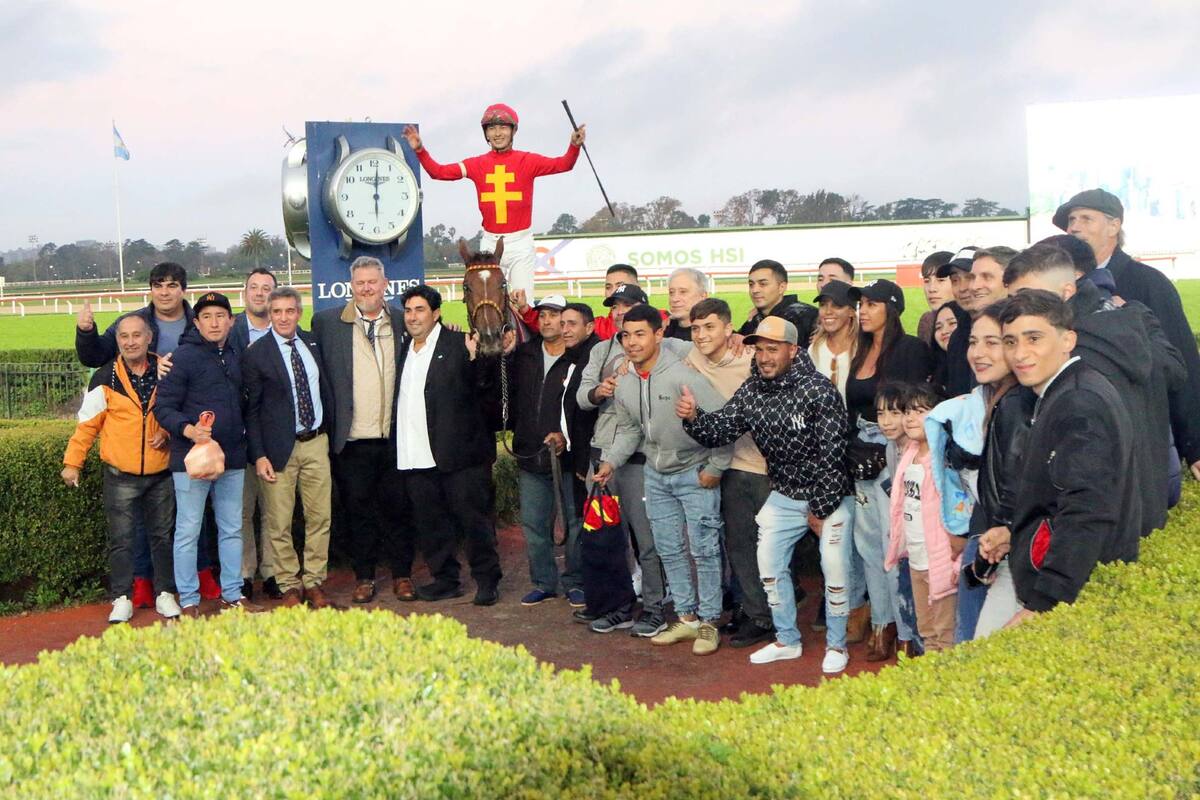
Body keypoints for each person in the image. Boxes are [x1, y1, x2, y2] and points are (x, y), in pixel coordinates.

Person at [679, 316, 856, 673]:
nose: (764, 357)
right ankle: (787, 640)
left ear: (793, 350)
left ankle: (837, 645)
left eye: (772, 349)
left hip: (829, 495)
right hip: (785, 494)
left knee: (835, 570)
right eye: (759, 349)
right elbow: (721, 428)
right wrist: (694, 416)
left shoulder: (819, 391)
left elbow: (833, 455)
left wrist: (820, 508)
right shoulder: (753, 389)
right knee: (769, 568)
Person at [1002, 243, 1184, 538]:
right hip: (1139, 511)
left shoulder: (1064, 355)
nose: (1015, 310)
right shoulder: (1127, 322)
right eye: (1012, 300)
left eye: (1028, 296)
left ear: (1067, 292)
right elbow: (1175, 372)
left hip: (1091, 525)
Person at [980, 290, 1139, 624]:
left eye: (1033, 338)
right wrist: (1014, 532)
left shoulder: (1078, 401)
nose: (1020, 353)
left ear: (1068, 340)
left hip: (1068, 595)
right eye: (1010, 342)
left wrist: (1045, 600)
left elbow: (1086, 508)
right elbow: (1052, 493)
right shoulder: (1065, 391)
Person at [595, 305, 732, 654]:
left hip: (694, 472)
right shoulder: (625, 381)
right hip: (655, 476)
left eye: (640, 334)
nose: (631, 342)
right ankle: (686, 618)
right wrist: (611, 461)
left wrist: (715, 467)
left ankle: (709, 622)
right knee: (670, 550)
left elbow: (724, 422)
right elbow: (629, 430)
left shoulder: (684, 375)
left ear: (659, 335)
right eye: (626, 335)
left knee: (704, 550)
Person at [1054, 187, 1200, 488]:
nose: (1074, 227)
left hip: (1139, 433)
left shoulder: (1148, 283)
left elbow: (1181, 361)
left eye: (1085, 218)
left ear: (1114, 226)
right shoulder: (1060, 285)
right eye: (1071, 220)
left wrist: (1195, 442)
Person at [61, 315, 180, 623]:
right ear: (117, 341)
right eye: (124, 336)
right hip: (119, 475)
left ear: (149, 337)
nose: (130, 342)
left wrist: (167, 433)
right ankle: (121, 598)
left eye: (136, 335)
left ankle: (165, 593)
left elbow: (180, 411)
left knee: (163, 537)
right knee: (122, 540)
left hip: (161, 473)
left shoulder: (167, 370)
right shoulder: (104, 377)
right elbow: (87, 424)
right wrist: (72, 463)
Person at [394, 284, 506, 605]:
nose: (413, 317)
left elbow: (485, 391)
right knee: (431, 525)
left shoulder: (460, 344)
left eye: (420, 310)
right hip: (414, 456)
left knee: (473, 523)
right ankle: (445, 580)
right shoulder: (403, 349)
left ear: (436, 314)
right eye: (408, 311)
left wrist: (476, 360)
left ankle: (487, 580)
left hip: (460, 457)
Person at [310, 256, 413, 604]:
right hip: (352, 441)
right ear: (351, 286)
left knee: (398, 510)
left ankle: (402, 575)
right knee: (358, 513)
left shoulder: (402, 320)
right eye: (360, 283)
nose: (367, 288)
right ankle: (365, 577)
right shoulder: (327, 323)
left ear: (385, 285)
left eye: (373, 282)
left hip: (395, 438)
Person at [403, 105, 585, 299]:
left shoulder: (528, 161)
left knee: (523, 303)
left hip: (520, 245)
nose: (497, 133)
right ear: (486, 134)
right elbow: (438, 172)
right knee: (486, 304)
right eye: (492, 128)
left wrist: (574, 146)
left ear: (513, 130)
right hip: (489, 244)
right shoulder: (476, 164)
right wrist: (420, 150)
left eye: (503, 127)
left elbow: (564, 164)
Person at [154, 292, 261, 616]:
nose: (214, 323)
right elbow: (163, 407)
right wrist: (188, 430)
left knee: (232, 528)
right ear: (197, 323)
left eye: (220, 316)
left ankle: (232, 594)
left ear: (231, 321)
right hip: (192, 460)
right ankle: (189, 600)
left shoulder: (236, 354)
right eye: (207, 317)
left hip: (232, 457)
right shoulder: (182, 358)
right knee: (188, 531)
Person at [844, 279, 933, 660]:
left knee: (895, 542)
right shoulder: (861, 349)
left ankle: (908, 629)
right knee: (868, 544)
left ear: (891, 308)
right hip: (861, 452)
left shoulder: (910, 348)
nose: (863, 311)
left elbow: (917, 406)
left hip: (897, 450)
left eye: (872, 304)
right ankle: (883, 622)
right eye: (861, 304)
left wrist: (893, 445)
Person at [576, 283, 669, 637]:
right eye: (615, 307)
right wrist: (598, 391)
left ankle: (655, 607)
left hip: (641, 458)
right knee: (604, 537)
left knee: (646, 539)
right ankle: (616, 605)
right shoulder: (601, 350)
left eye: (627, 306)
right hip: (602, 452)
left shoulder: (662, 348)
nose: (619, 312)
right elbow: (582, 396)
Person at [685, 298, 774, 649]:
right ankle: (756, 614)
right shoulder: (689, 357)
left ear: (728, 328)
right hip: (730, 466)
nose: (701, 335)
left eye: (710, 327)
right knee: (739, 546)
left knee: (771, 547)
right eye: (695, 328)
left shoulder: (750, 358)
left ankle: (775, 612)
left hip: (766, 467)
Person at [243, 287, 338, 609]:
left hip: (316, 443)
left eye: (289, 311)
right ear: (270, 315)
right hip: (277, 450)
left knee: (320, 517)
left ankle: (314, 581)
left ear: (299, 312)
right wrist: (259, 455)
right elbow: (252, 410)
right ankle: (289, 585)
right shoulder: (257, 353)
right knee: (279, 523)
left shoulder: (313, 344)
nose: (283, 317)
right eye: (277, 312)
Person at [959, 302, 1033, 640]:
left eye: (992, 342)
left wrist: (1001, 535)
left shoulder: (1015, 404)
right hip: (1005, 546)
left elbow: (1016, 486)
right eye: (973, 342)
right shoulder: (1003, 399)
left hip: (1014, 554)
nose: (978, 353)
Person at [509, 295, 584, 608]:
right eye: (542, 315)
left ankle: (576, 582)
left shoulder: (580, 357)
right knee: (533, 524)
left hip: (568, 458)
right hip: (530, 454)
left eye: (555, 315)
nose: (548, 321)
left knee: (575, 523)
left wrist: (570, 439)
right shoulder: (523, 354)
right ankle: (543, 582)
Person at [884, 384, 961, 653]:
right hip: (916, 557)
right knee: (926, 629)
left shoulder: (945, 459)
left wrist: (955, 558)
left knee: (945, 633)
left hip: (940, 559)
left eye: (920, 411)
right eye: (907, 411)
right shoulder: (909, 453)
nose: (910, 418)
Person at [227, 267, 280, 601]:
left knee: (274, 511)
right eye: (254, 287)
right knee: (242, 511)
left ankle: (273, 572)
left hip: (275, 437)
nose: (260, 293)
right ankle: (245, 573)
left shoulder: (288, 330)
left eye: (267, 288)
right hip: (239, 437)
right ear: (245, 292)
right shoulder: (227, 331)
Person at [75, 261, 193, 368]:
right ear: (151, 290)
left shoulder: (199, 323)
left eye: (172, 286)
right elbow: (94, 358)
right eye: (158, 286)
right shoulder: (128, 322)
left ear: (183, 290)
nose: (164, 292)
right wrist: (86, 333)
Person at [739, 259, 818, 348]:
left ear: (781, 287)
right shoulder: (754, 320)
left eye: (763, 284)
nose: (754, 290)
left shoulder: (807, 316)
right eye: (751, 284)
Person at [593, 264, 641, 340]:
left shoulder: (659, 320)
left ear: (637, 287)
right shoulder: (595, 326)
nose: (613, 292)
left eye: (620, 286)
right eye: (608, 287)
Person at [917, 251, 954, 342]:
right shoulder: (927, 322)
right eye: (927, 281)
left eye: (941, 280)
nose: (931, 289)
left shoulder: (978, 321)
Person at [664, 267, 709, 340]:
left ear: (703, 296)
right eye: (671, 292)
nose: (674, 299)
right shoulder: (661, 331)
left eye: (683, 292)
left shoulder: (719, 336)